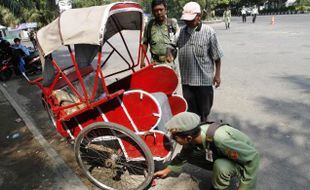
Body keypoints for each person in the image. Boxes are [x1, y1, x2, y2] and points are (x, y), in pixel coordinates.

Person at [154, 112, 260, 190]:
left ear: (189, 138)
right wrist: (167, 170)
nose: (173, 139)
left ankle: (218, 187)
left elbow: (252, 157)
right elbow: (184, 154)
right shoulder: (195, 135)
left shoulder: (220, 139)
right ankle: (220, 173)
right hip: (225, 152)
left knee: (221, 166)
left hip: (242, 158)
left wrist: (244, 187)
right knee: (191, 154)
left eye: (174, 137)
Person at [175, 2, 223, 122]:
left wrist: (217, 75)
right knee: (191, 114)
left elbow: (217, 56)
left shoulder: (209, 32)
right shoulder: (181, 32)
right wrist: (169, 54)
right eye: (186, 19)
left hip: (204, 82)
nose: (188, 22)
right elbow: (171, 46)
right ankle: (194, 138)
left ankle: (203, 136)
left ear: (199, 16)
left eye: (190, 19)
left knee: (204, 114)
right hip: (187, 83)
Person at [140, 0, 179, 69]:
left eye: (161, 10)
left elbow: (180, 40)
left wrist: (174, 55)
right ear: (152, 11)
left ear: (166, 10)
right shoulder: (149, 25)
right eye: (156, 10)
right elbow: (145, 43)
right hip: (155, 64)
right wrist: (142, 60)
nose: (159, 12)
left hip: (170, 64)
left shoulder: (172, 23)